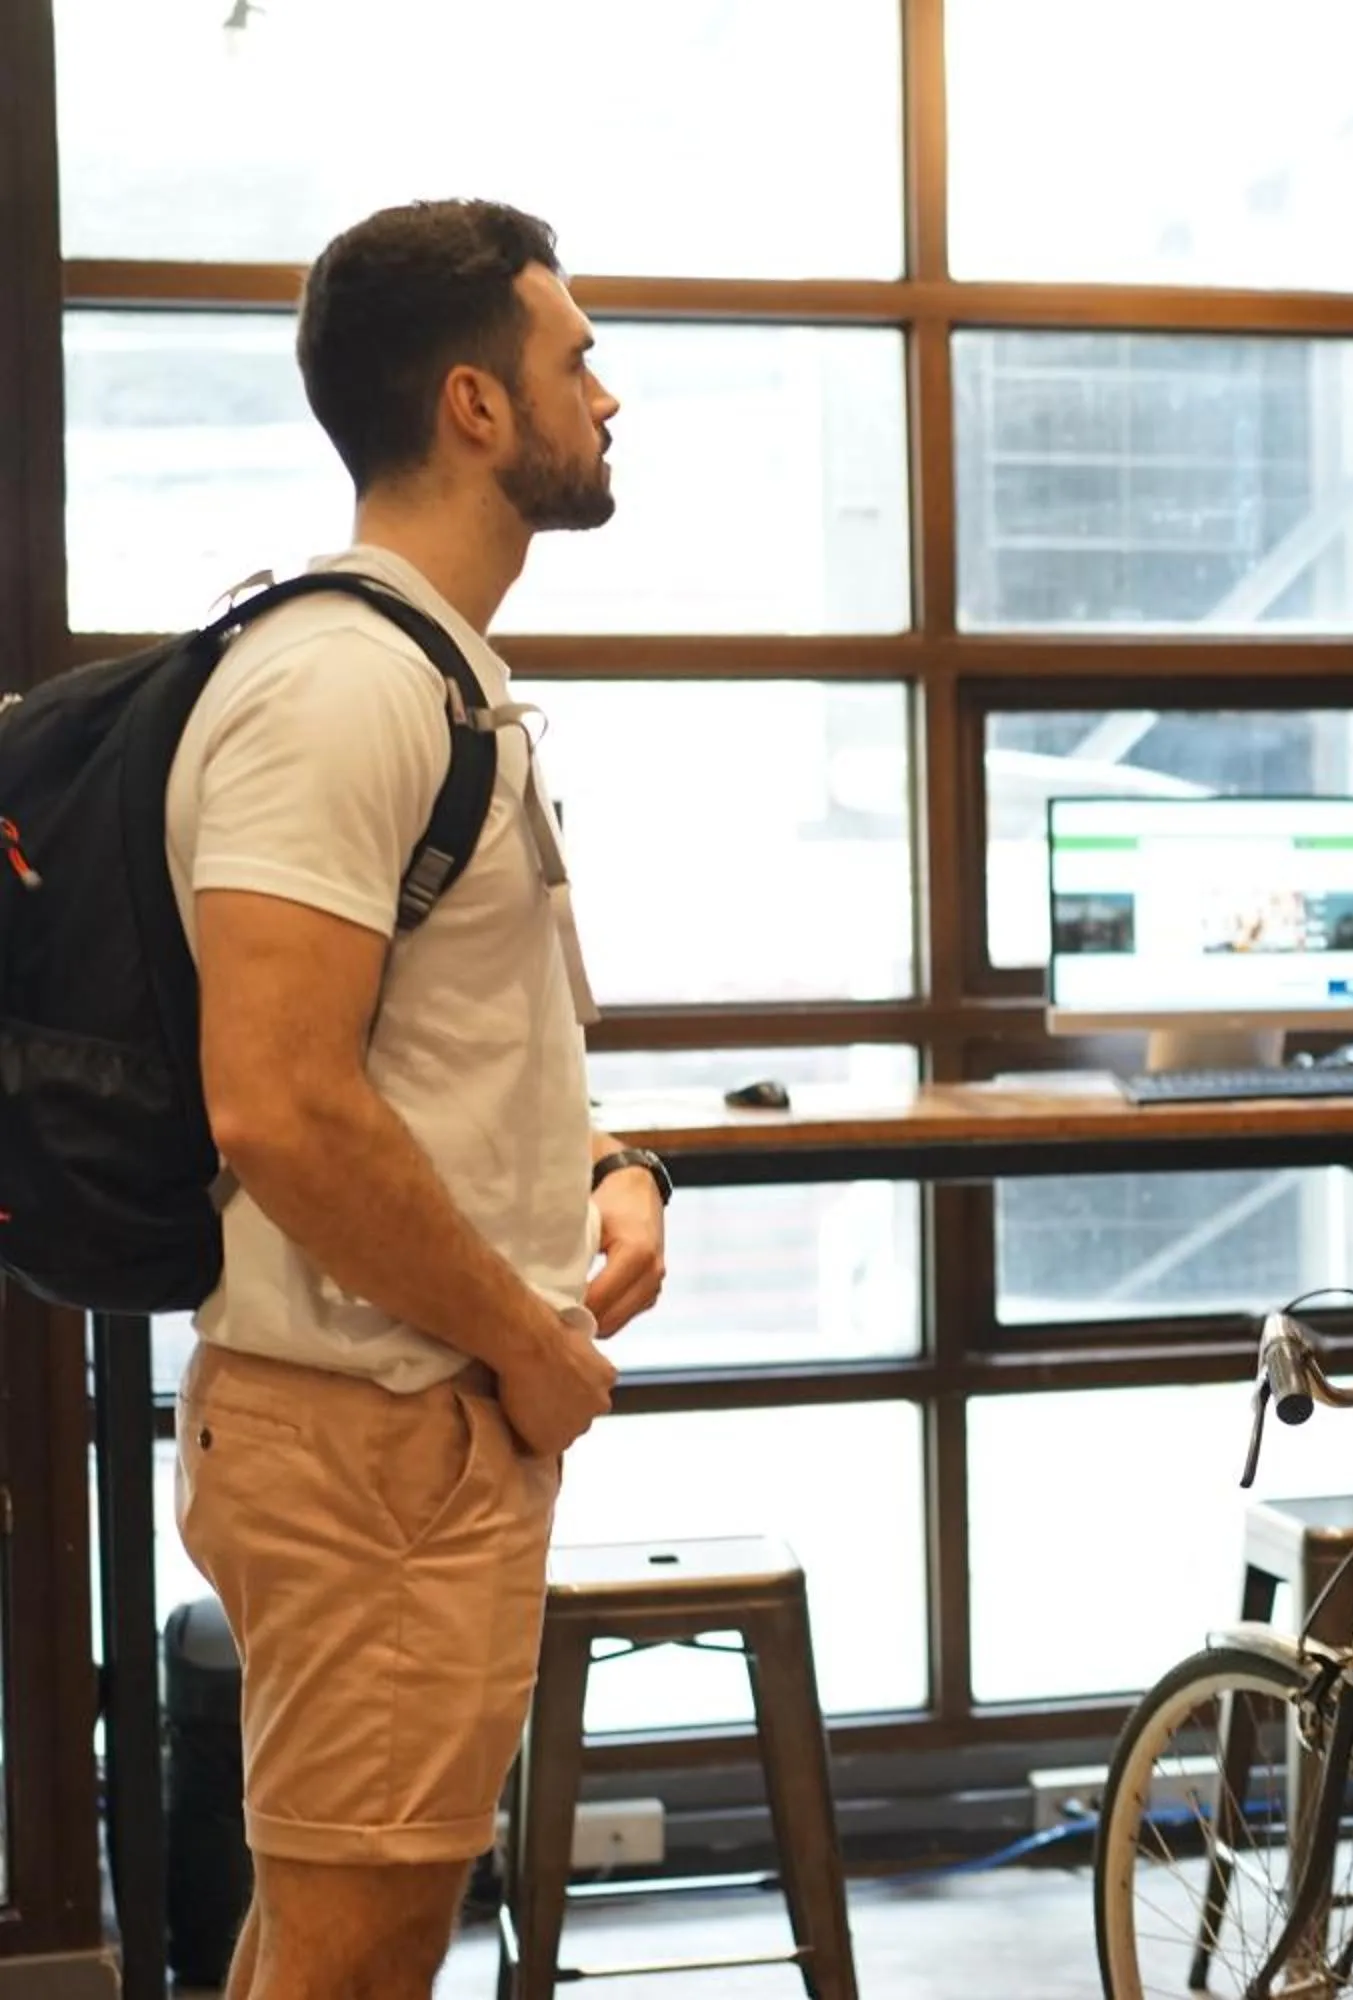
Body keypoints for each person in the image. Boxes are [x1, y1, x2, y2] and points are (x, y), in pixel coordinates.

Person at [167, 199, 667, 2000]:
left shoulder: (440, 678)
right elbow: (281, 1110)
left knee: (332, 1941)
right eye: (576, 356)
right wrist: (525, 1352)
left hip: (415, 1426)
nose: (607, 395)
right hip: (377, 1434)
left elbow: (445, 1052)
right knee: (356, 1962)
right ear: (474, 404)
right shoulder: (337, 688)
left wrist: (614, 1166)